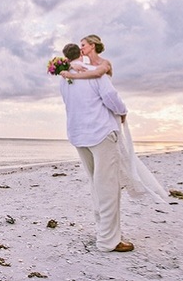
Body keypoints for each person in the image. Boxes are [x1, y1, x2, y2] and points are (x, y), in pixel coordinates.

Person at [59, 43, 134, 252]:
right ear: (81, 54)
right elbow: (111, 98)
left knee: (96, 184)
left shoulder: (65, 79)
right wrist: (123, 111)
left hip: (79, 135)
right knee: (108, 187)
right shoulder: (94, 74)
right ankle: (108, 241)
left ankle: (104, 232)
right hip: (100, 134)